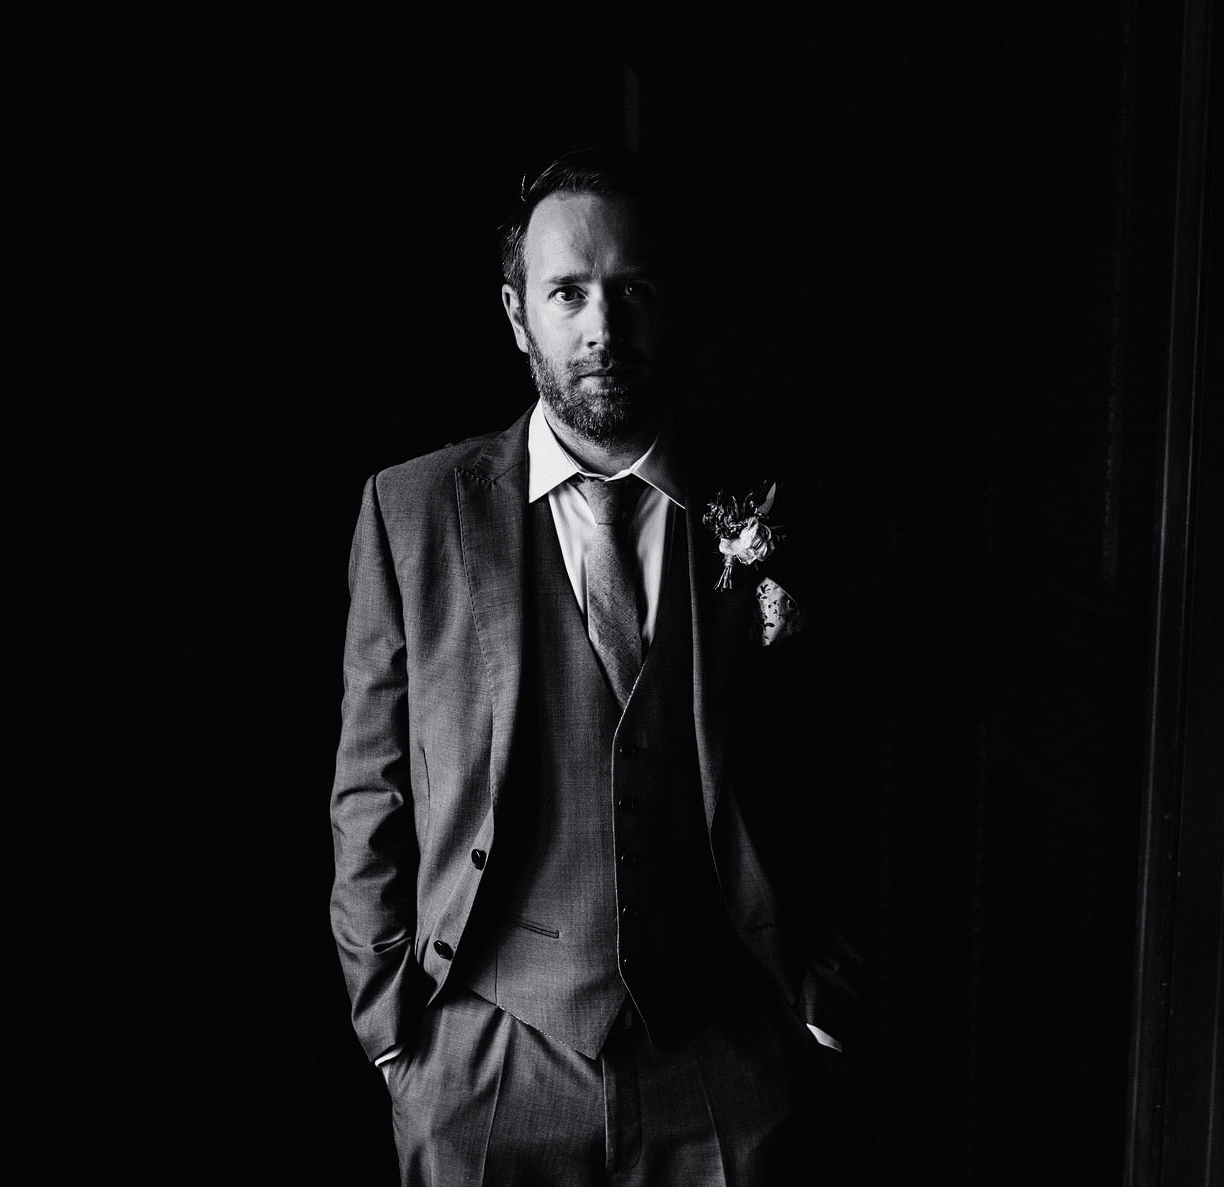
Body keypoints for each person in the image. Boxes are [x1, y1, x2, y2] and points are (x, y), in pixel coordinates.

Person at [330, 147, 862, 1185]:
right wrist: (391, 1028)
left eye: (630, 291)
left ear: (668, 303)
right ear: (518, 314)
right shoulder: (412, 512)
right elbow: (367, 785)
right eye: (568, 293)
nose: (602, 328)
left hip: (722, 1059)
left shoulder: (769, 502)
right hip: (484, 1057)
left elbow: (845, 752)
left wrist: (825, 998)